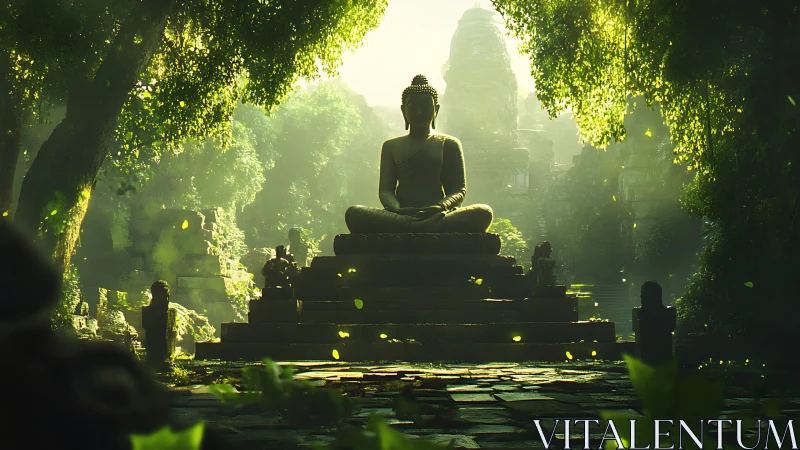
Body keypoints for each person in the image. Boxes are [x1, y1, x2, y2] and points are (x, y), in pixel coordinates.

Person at [345, 74, 493, 233]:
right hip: (402, 215)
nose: (419, 111)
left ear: (436, 109)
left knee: (483, 212)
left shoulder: (448, 144)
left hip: (437, 214)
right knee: (354, 214)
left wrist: (440, 206)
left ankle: (413, 228)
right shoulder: (391, 146)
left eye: (426, 105)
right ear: (403, 110)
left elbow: (458, 190)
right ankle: (422, 227)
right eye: (412, 106)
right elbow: (386, 191)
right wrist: (397, 209)